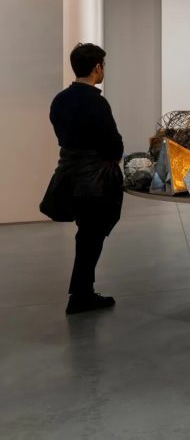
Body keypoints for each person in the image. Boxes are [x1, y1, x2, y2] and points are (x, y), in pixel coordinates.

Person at [41, 43, 124, 315]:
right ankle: (81, 296)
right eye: (104, 65)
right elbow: (113, 144)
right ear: (97, 67)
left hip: (68, 177)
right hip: (94, 182)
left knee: (86, 236)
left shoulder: (60, 99)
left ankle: (81, 292)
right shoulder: (96, 102)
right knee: (90, 238)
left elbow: (63, 137)